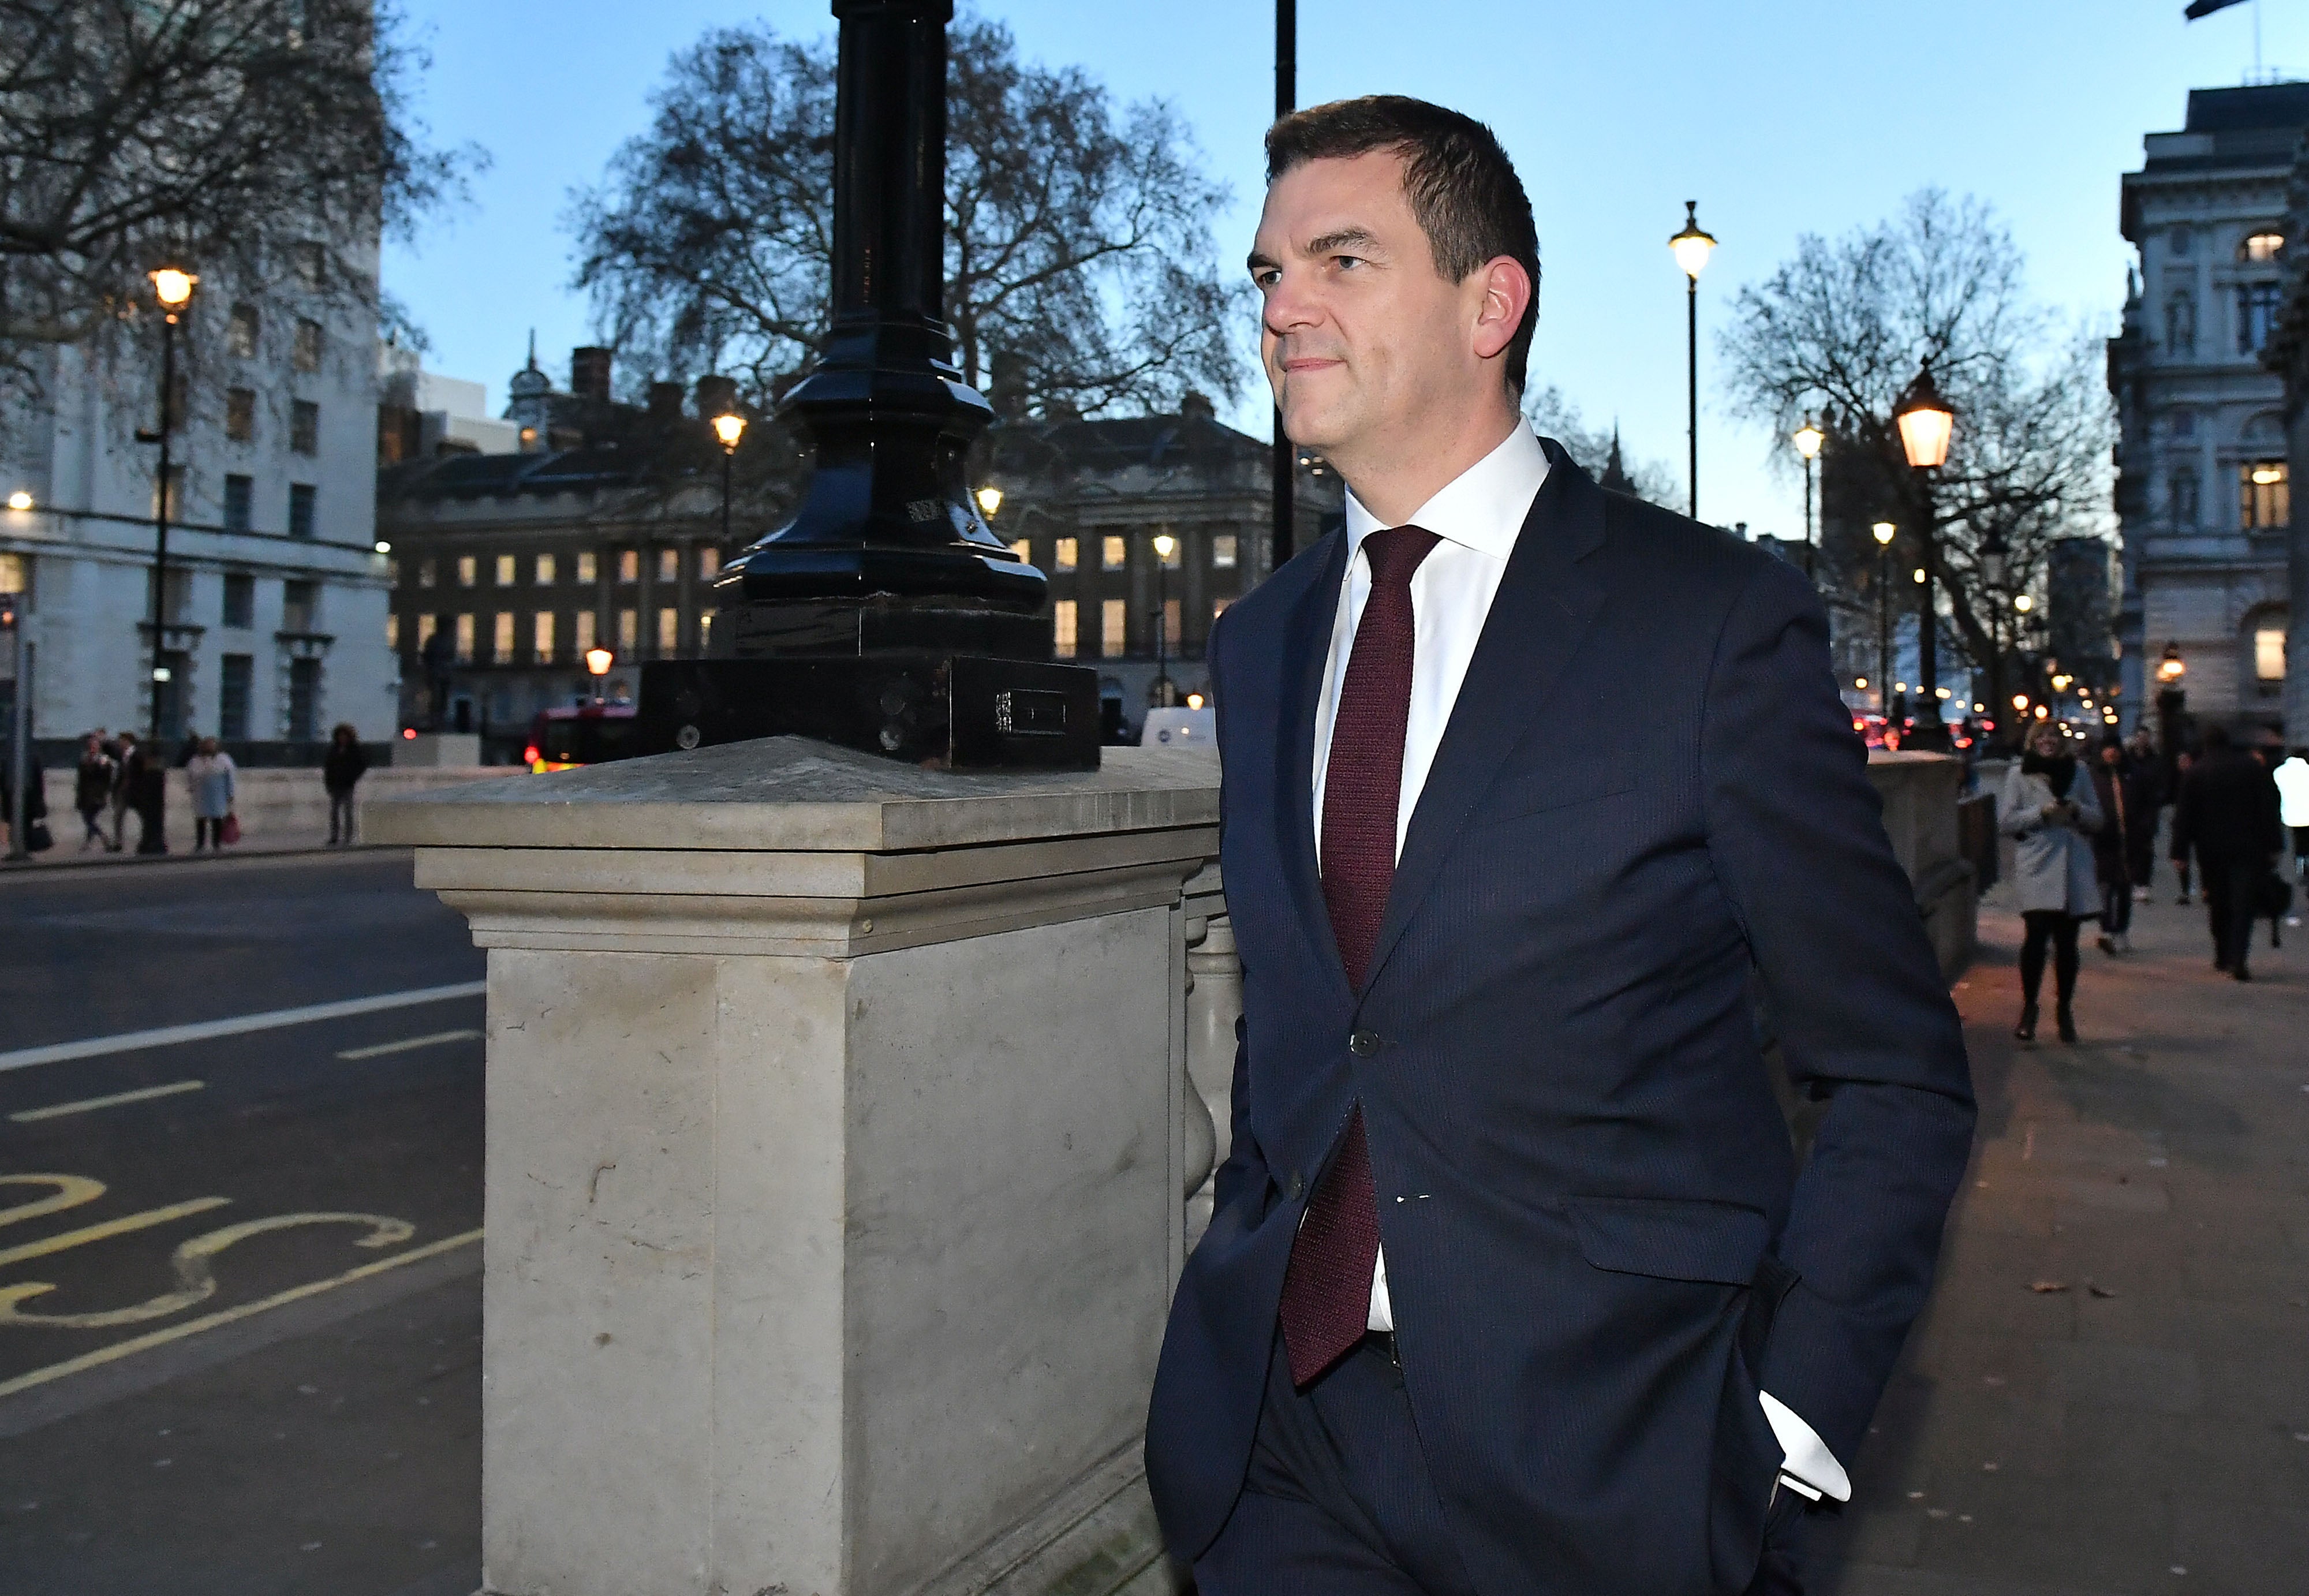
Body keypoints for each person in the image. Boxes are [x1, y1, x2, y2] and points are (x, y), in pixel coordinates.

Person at [1144, 96, 1974, 1596]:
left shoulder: (1704, 622)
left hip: (1614, 1464)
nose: (1283, 308)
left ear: (1490, 305)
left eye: (1341, 260)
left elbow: (1894, 1068)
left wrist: (1786, 1420)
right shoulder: (1261, 642)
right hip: (1288, 1451)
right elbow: (1311, 1015)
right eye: (1268, 272)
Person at [2000, 724, 2102, 1042]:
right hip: (2038, 864)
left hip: (2072, 866)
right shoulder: (2019, 774)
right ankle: (2029, 1008)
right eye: (2042, 737)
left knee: (2067, 944)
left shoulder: (2079, 771)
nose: (2048, 741)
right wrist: (2042, 813)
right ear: (2033, 742)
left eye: (2054, 737)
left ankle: (2064, 1010)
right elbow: (2006, 821)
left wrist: (2076, 810)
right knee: (2035, 939)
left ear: (2062, 742)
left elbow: (2098, 818)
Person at [2171, 723, 2286, 980]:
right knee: (2243, 903)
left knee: (2218, 901)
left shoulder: (2196, 772)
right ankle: (2239, 957)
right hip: (2248, 847)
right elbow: (2268, 808)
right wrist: (2275, 845)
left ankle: (2222, 953)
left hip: (2211, 849)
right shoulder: (2251, 768)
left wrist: (2180, 852)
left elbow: (2184, 815)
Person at [2089, 735, 2132, 955]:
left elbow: (2145, 802)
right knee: (2105, 887)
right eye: (2108, 749)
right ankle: (2106, 928)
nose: (2112, 753)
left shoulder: (2129, 775)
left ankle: (2121, 929)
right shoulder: (2094, 777)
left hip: (2129, 841)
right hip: (2103, 839)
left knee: (2124, 887)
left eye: (2115, 748)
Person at [2123, 729, 2165, 899]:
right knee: (2129, 848)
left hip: (2147, 809)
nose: (2142, 741)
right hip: (2129, 809)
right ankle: (2131, 880)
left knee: (2145, 849)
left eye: (2145, 738)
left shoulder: (2155, 761)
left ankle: (2142, 883)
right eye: (2139, 737)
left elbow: (2161, 783)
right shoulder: (2128, 760)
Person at [184, 735, 235, 851]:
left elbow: (230, 778)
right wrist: (190, 788)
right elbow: (189, 776)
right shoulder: (195, 761)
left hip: (218, 795)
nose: (208, 748)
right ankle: (200, 844)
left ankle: (216, 844)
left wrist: (230, 794)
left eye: (211, 745)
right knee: (200, 821)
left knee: (217, 820)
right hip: (200, 795)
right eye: (206, 745)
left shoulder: (224, 760)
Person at [2278, 748, 2309, 929]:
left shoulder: (2280, 772)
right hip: (2307, 815)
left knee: (2296, 845)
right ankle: (2305, 865)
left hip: (2289, 815)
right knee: (2306, 844)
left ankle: (2300, 865)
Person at [323, 723, 368, 846]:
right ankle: (334, 836)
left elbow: (362, 765)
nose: (342, 738)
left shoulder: (354, 750)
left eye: (344, 736)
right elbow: (328, 768)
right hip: (335, 784)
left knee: (348, 811)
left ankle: (348, 837)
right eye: (340, 736)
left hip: (347, 785)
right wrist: (328, 783)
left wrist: (352, 777)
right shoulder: (334, 749)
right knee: (334, 812)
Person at [122, 732, 166, 854]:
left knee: (150, 822)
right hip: (149, 798)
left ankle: (149, 844)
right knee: (151, 821)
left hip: (146, 797)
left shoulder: (145, 765)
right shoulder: (154, 768)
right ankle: (151, 843)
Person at [74, 733, 117, 851]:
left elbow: (107, 777)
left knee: (89, 819)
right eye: (91, 745)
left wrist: (105, 792)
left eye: (95, 745)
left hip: (97, 794)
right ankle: (89, 842)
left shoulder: (103, 759)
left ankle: (102, 837)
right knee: (88, 818)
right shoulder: (84, 758)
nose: (93, 747)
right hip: (85, 794)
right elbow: (81, 777)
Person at [2168, 747, 2195, 903]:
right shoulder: (2176, 779)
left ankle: (2202, 889)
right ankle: (2185, 890)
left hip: (2194, 820)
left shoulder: (2197, 777)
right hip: (2181, 821)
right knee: (2182, 858)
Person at [107, 730, 138, 851]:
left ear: (127, 741)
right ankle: (118, 842)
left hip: (133, 790)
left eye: (121, 741)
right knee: (118, 816)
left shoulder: (136, 755)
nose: (119, 743)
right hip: (121, 791)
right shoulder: (121, 755)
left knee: (141, 816)